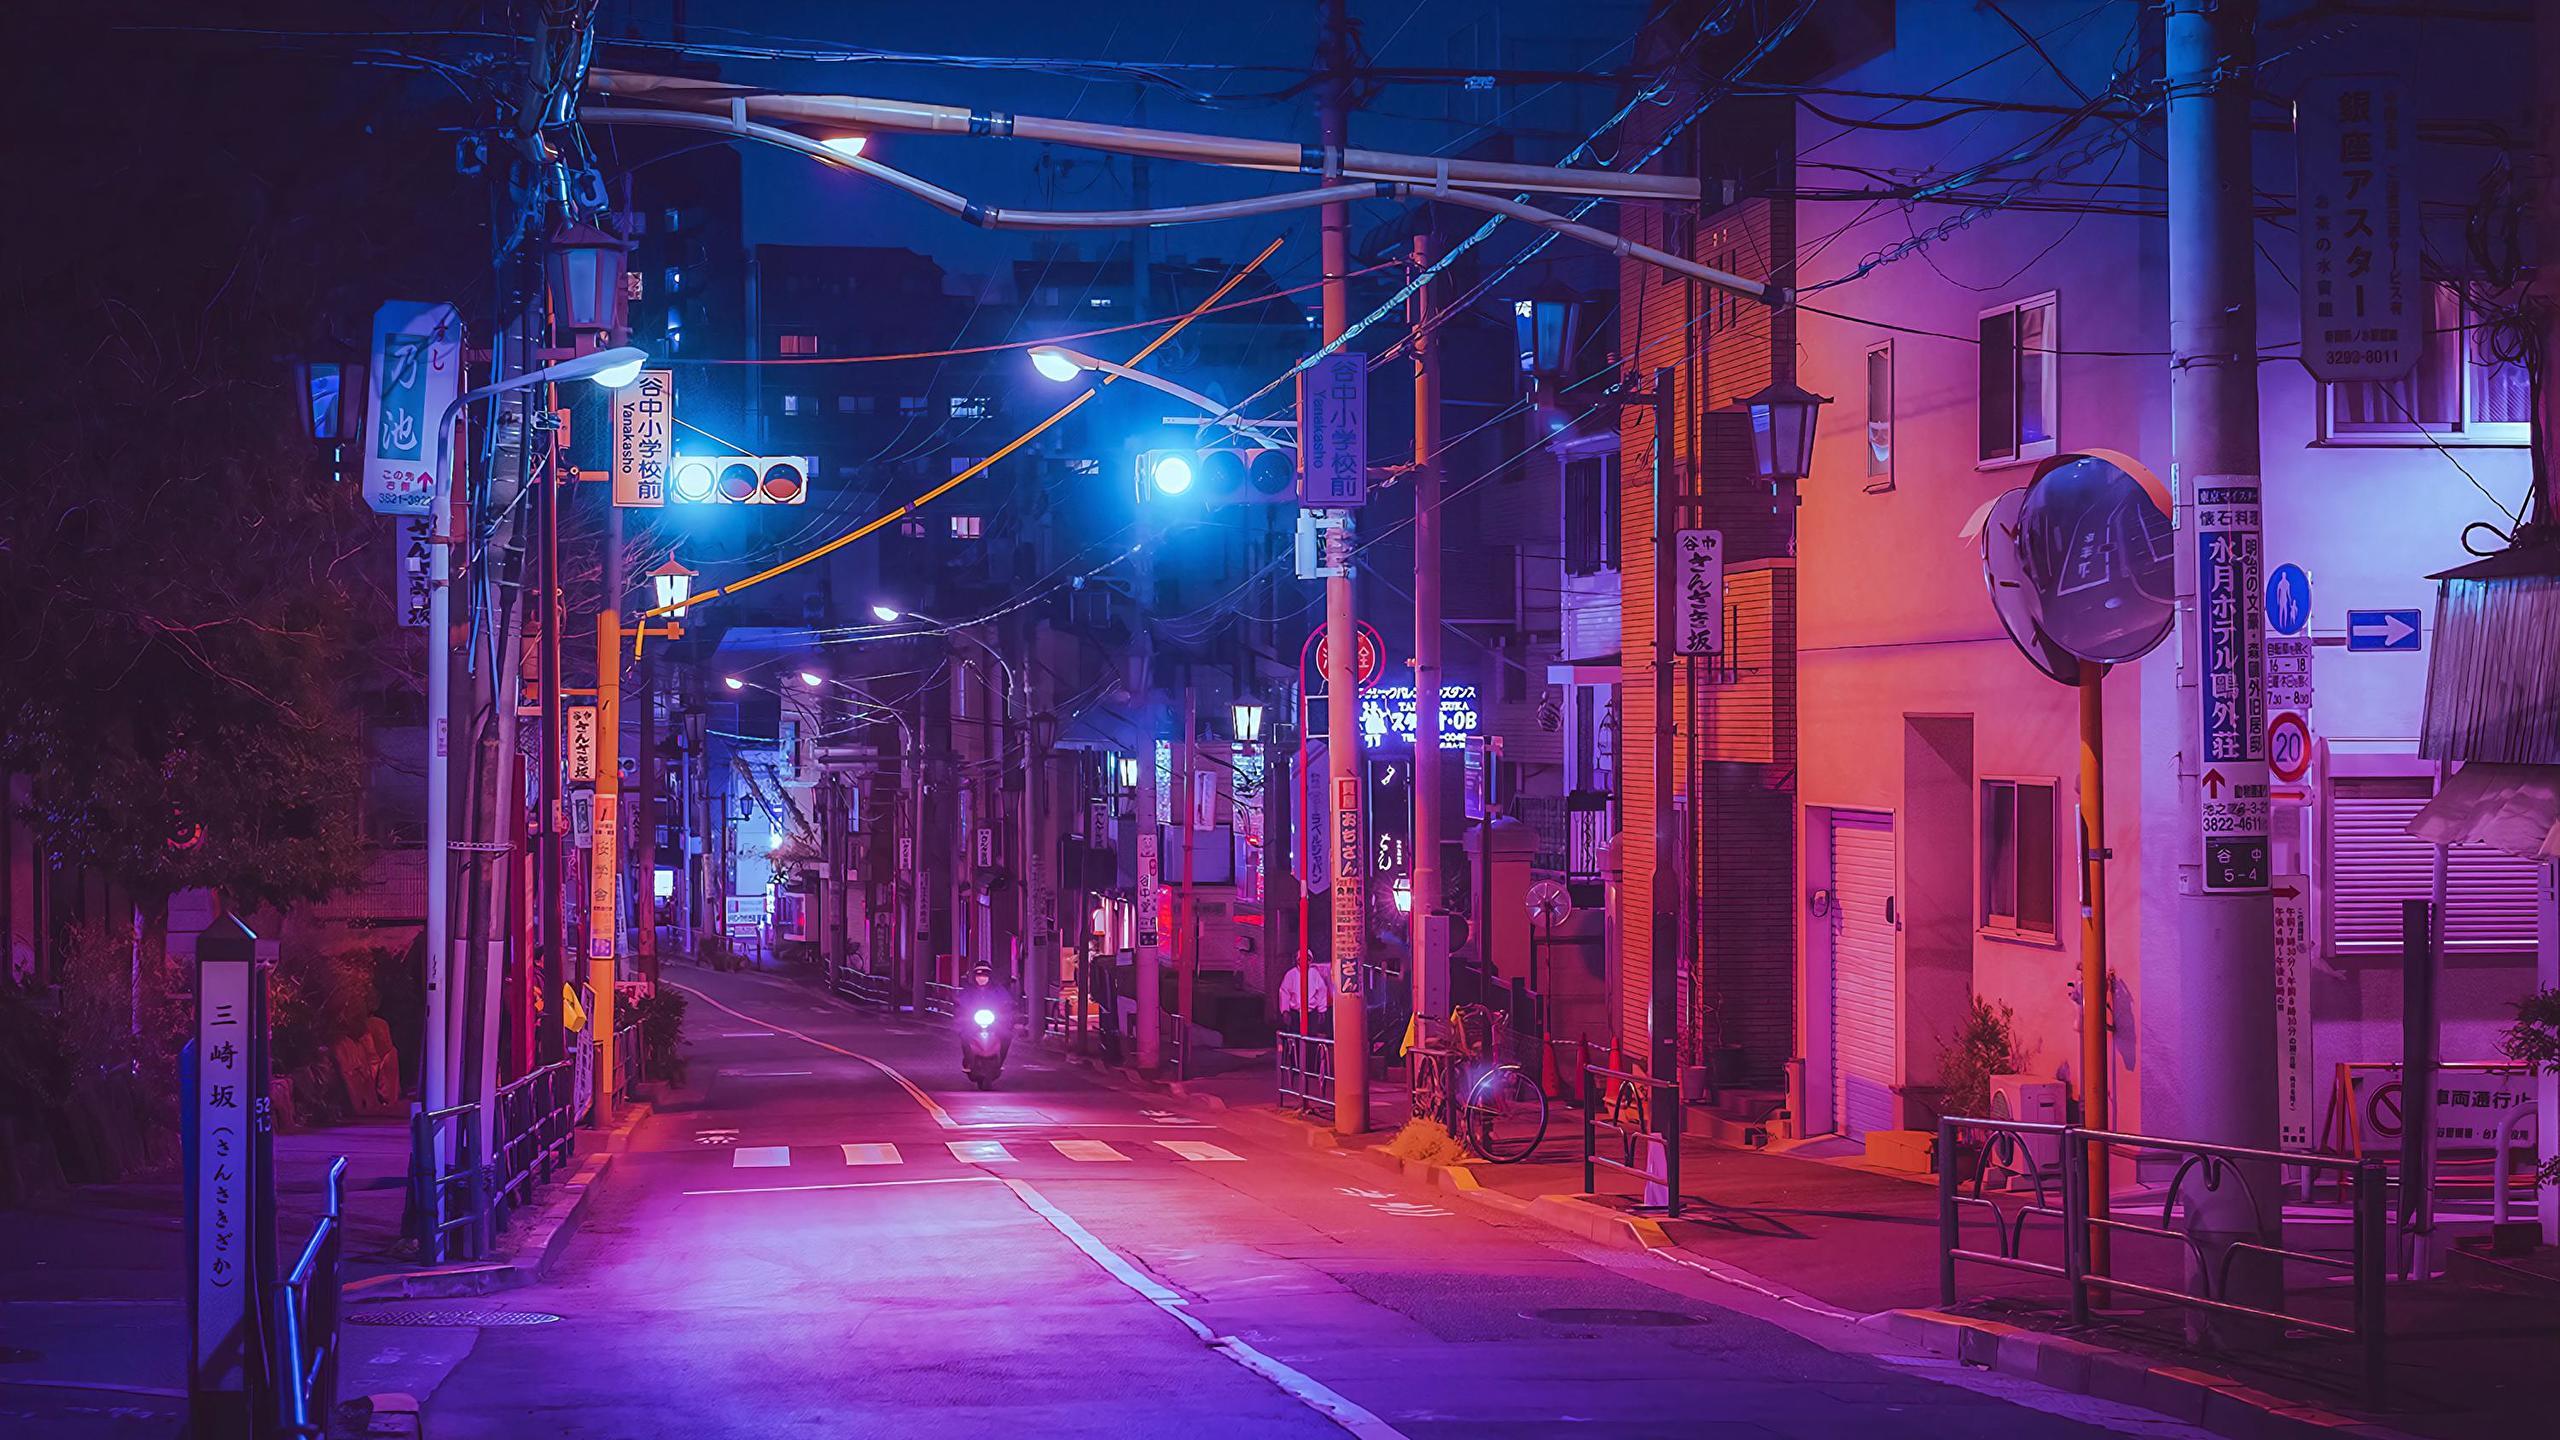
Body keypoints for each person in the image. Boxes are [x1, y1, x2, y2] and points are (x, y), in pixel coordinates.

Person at [1276, 959, 1333, 1036]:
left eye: (1308, 959)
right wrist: (1285, 1011)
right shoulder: (1291, 974)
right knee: (1295, 1035)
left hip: (1311, 1013)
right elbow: (1284, 993)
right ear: (1297, 961)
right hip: (1295, 1013)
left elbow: (1322, 991)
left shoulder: (1314, 973)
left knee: (1311, 1037)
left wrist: (1321, 1010)